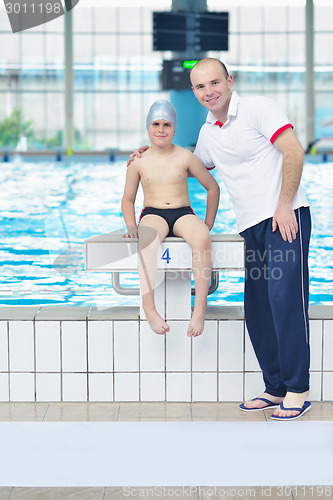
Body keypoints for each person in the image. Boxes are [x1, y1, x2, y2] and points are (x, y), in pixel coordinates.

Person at [128, 59, 312, 421]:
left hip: (284, 218)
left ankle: (298, 389)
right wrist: (147, 153)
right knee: (258, 308)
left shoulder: (258, 108)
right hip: (251, 227)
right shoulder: (210, 132)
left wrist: (285, 205)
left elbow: (294, 151)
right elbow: (184, 166)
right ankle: (274, 387)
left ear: (229, 81)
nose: (209, 91)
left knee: (284, 299)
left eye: (214, 82)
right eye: (200, 87)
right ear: (195, 93)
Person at [121, 99, 220, 337]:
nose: (161, 129)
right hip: (153, 213)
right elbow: (127, 200)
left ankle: (199, 310)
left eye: (166, 124)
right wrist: (131, 225)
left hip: (183, 212)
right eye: (156, 124)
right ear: (148, 128)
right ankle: (149, 308)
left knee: (202, 239)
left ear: (174, 129)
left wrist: (208, 224)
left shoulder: (185, 156)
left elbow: (212, 188)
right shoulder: (138, 161)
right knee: (147, 242)